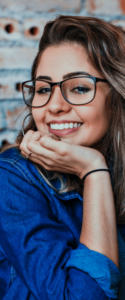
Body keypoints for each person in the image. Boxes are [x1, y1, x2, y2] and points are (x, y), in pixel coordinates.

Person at [0, 15, 125, 300]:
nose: (54, 106)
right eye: (44, 89)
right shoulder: (12, 178)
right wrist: (93, 170)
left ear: (117, 95)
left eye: (79, 88)